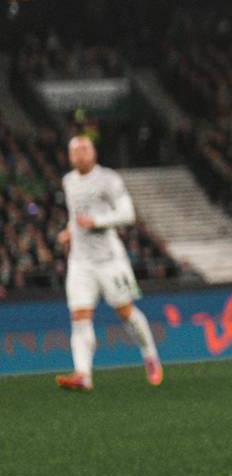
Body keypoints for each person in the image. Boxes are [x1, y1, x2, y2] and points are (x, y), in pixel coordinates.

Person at [55, 135, 163, 390]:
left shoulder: (109, 179)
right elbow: (75, 215)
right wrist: (69, 231)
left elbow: (128, 214)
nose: (80, 153)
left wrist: (97, 222)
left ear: (94, 153)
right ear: (70, 156)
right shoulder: (68, 181)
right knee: (79, 316)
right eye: (75, 150)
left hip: (110, 260)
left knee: (125, 312)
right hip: (80, 262)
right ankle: (83, 375)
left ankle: (150, 356)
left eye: (85, 148)